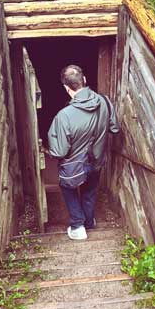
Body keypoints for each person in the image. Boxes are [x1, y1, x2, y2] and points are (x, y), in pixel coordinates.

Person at [47, 64, 120, 240]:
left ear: (66, 87)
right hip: (97, 160)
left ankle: (78, 226)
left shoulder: (64, 116)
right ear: (84, 80)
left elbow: (59, 151)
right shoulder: (104, 101)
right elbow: (115, 128)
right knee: (90, 190)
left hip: (74, 166)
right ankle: (89, 222)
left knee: (67, 187)